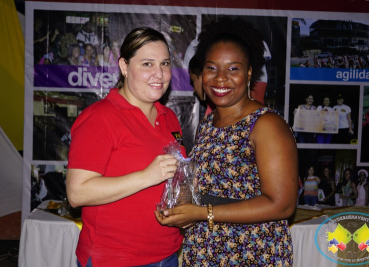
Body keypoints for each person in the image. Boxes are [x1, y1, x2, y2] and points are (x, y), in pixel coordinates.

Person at [156, 17, 298, 266]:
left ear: (249, 72)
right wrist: (182, 209)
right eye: (211, 68)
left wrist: (202, 214)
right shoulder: (208, 125)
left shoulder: (267, 125)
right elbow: (213, 188)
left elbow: (282, 205)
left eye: (233, 68)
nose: (220, 78)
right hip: (205, 251)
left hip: (251, 253)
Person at [67, 27, 184, 267]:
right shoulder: (100, 117)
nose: (159, 74)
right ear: (124, 67)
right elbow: (77, 194)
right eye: (147, 64)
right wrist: (146, 176)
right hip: (115, 259)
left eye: (164, 64)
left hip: (167, 254)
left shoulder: (169, 116)